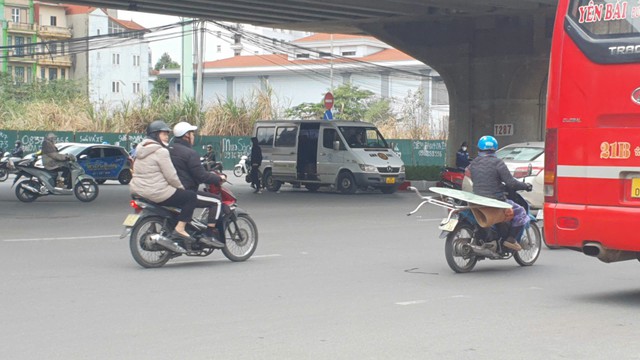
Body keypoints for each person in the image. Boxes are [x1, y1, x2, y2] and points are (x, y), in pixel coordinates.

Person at [129, 120, 200, 253]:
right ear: (155, 135)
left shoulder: (139, 150)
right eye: (163, 134)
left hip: (138, 191)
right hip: (156, 191)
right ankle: (180, 228)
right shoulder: (161, 151)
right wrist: (180, 188)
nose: (167, 136)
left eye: (167, 133)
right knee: (190, 197)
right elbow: (171, 176)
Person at [468, 135, 532, 252]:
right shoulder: (498, 163)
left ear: (479, 148)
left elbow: (478, 180)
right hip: (496, 201)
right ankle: (511, 240)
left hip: (477, 200)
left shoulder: (473, 164)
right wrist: (525, 186)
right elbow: (511, 183)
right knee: (521, 211)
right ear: (495, 149)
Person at [169, 121, 226, 249]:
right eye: (192, 133)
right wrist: (218, 178)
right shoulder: (190, 153)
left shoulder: (169, 149)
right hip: (186, 191)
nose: (193, 136)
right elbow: (201, 176)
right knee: (216, 201)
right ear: (186, 136)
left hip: (170, 190)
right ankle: (209, 235)